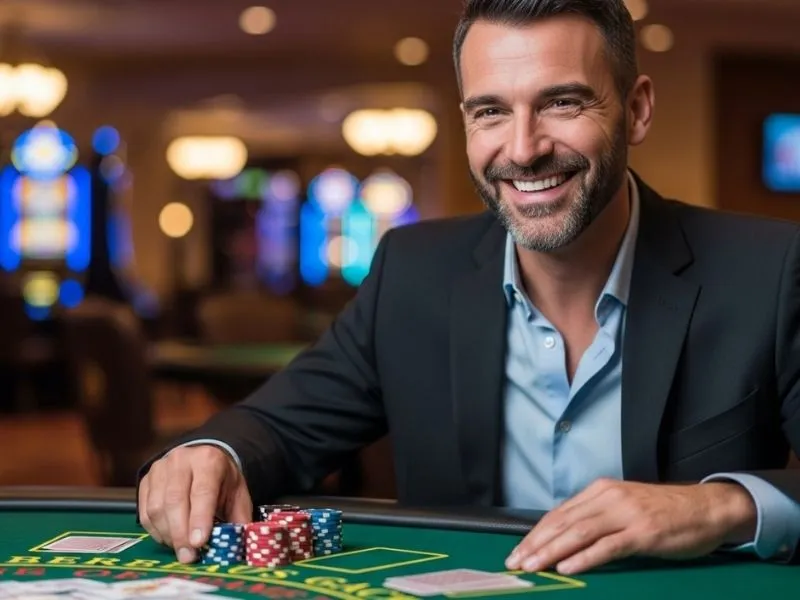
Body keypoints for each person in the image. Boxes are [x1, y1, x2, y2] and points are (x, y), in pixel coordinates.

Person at [138, 0, 800, 576]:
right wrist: (209, 452)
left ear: (636, 109)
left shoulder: (766, 270)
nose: (523, 148)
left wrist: (722, 505)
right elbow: (275, 427)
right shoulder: (412, 273)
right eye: (490, 111)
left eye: (561, 102)